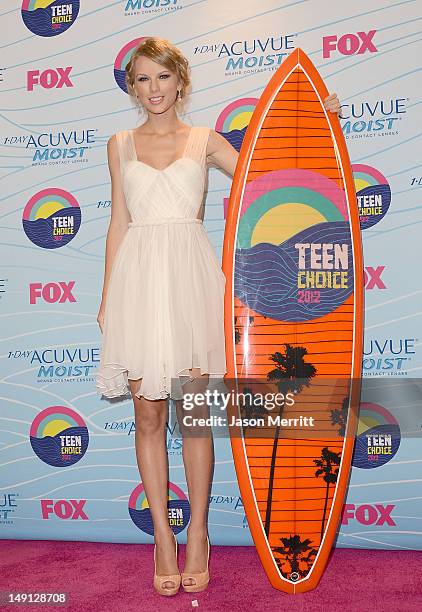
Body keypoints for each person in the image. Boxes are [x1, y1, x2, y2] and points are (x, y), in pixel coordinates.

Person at [95, 37, 341, 596]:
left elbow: (268, 173)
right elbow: (117, 222)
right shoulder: (119, 144)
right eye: (142, 80)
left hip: (191, 280)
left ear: (180, 81)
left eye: (163, 77)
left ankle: (199, 532)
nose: (153, 89)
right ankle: (163, 537)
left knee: (196, 419)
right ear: (131, 87)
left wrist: (316, 121)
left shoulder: (205, 140)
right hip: (137, 282)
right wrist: (108, 298)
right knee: (149, 419)